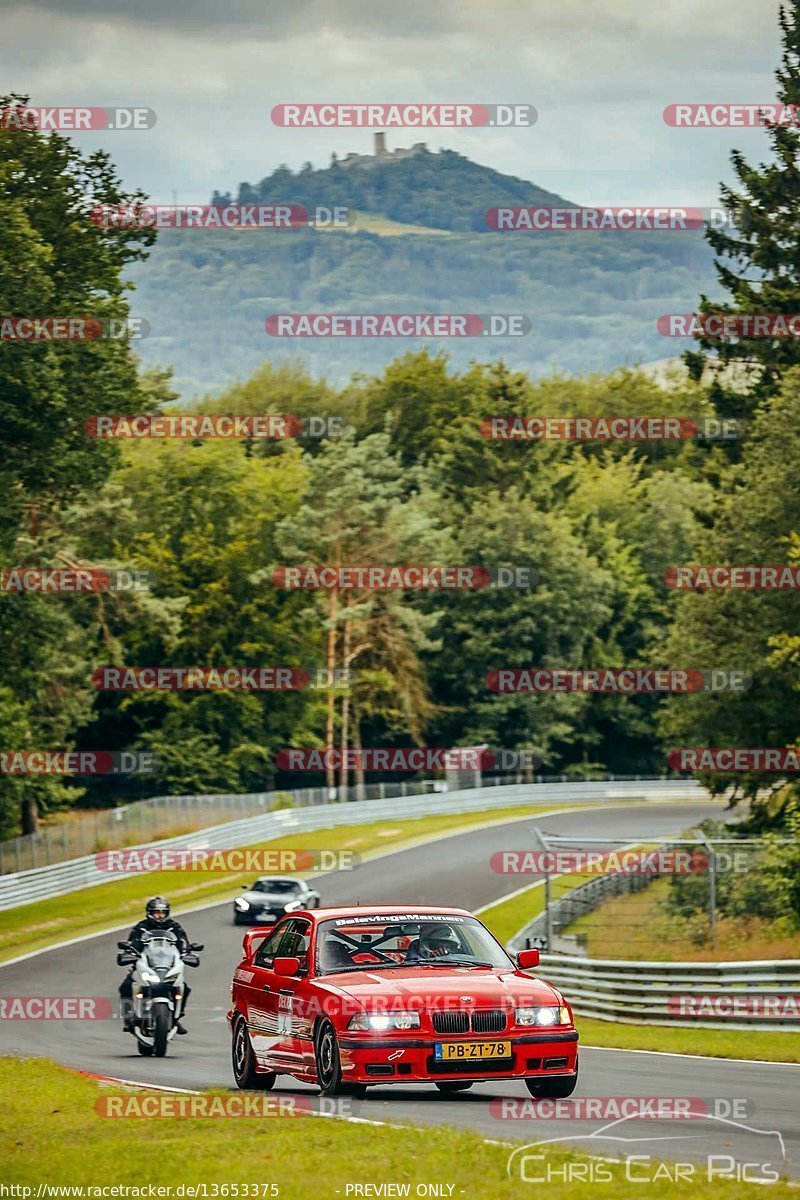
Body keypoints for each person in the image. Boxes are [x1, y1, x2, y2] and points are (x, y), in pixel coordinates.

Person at [118, 897, 191, 1033]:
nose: (160, 916)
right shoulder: (141, 927)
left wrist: (187, 952)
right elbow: (133, 943)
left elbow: (183, 942)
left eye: (162, 913)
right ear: (149, 913)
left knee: (184, 988)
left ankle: (176, 1018)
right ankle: (129, 1018)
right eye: (157, 912)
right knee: (125, 987)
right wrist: (129, 952)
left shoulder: (174, 927)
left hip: (167, 966)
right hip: (145, 965)